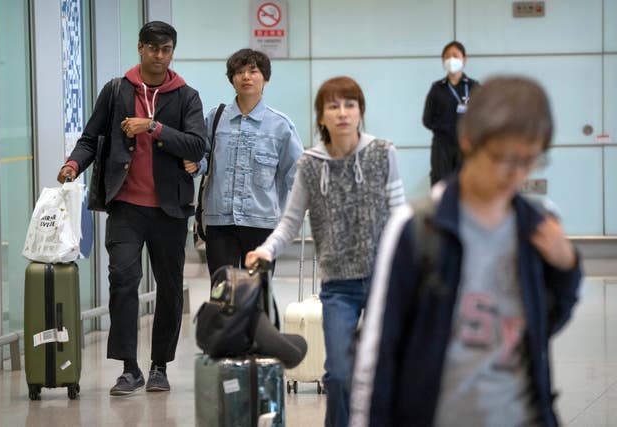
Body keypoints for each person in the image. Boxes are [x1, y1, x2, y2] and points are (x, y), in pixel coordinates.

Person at [350, 76, 583, 427]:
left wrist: (567, 268)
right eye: (503, 158)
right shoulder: (416, 227)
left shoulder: (536, 226)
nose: (515, 173)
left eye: (529, 160)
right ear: (468, 140)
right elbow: (377, 353)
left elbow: (544, 323)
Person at [57, 21, 207, 396]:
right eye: (153, 48)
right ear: (140, 48)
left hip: (170, 209)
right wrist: (74, 164)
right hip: (125, 205)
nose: (160, 56)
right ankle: (129, 368)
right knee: (122, 281)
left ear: (173, 52)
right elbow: (90, 138)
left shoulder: (186, 96)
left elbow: (195, 146)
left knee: (170, 288)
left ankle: (160, 366)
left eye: (167, 49)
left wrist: (152, 127)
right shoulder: (116, 90)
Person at [245, 76, 405, 427]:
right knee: (338, 375)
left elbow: (399, 214)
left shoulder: (383, 153)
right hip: (339, 287)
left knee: (384, 373)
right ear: (321, 117)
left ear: (361, 111)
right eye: (333, 106)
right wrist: (267, 249)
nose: (343, 112)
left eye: (350, 104)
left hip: (383, 283)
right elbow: (290, 221)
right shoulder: (309, 164)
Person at [185, 48, 303, 279]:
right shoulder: (215, 118)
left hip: (262, 223)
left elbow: (297, 173)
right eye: (239, 72)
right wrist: (196, 165)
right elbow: (204, 156)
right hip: (220, 221)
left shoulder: (281, 125)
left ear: (265, 79)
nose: (246, 77)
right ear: (232, 80)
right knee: (222, 292)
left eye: (253, 71)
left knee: (258, 292)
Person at [423, 40, 479, 185]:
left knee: (467, 187)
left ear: (464, 59)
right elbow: (427, 119)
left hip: (467, 146)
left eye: (456, 55)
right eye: (447, 56)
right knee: (440, 188)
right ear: (443, 61)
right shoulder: (437, 88)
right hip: (442, 147)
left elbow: (483, 117)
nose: (451, 59)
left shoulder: (474, 87)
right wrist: (445, 128)